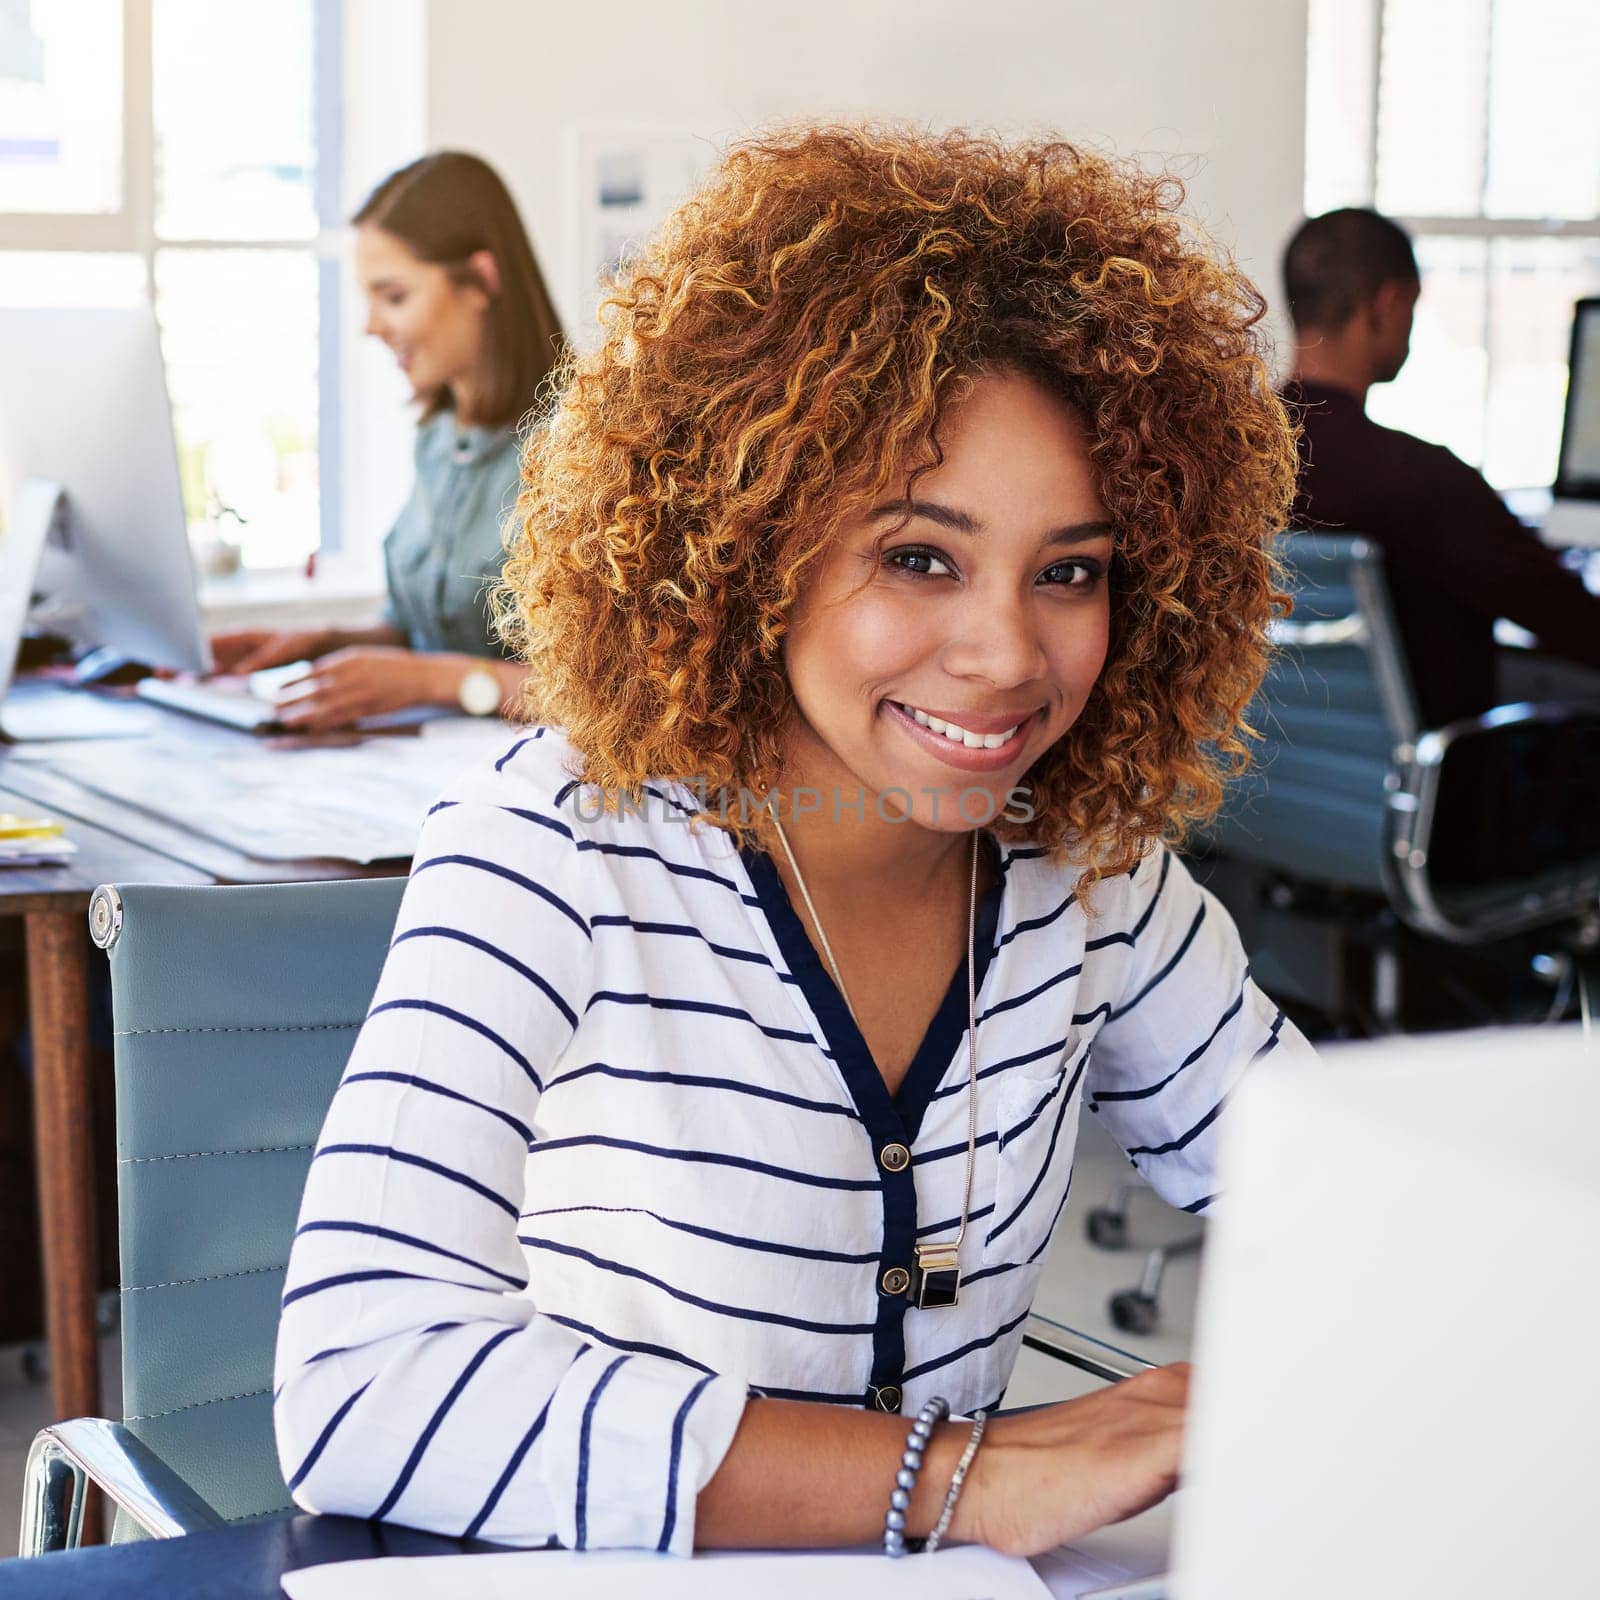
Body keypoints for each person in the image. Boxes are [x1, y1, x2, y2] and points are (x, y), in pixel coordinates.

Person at [274, 124, 1314, 1559]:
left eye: (1070, 571)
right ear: (751, 542)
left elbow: (1348, 1199)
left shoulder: (1094, 873)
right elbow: (357, 1390)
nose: (1007, 654)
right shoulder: (555, 841)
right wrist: (960, 1478)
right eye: (918, 557)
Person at [210, 152, 564, 730]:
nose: (372, 325)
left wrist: (427, 680)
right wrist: (321, 647)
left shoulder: (584, 451)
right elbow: (429, 629)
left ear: (481, 279)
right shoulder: (437, 440)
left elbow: (608, 697)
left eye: (394, 296)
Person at [1280, 207, 1600, 728]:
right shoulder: (1418, 481)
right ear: (1386, 304)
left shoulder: (1227, 461)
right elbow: (1574, 623)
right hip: (1437, 794)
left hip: (1279, 781)